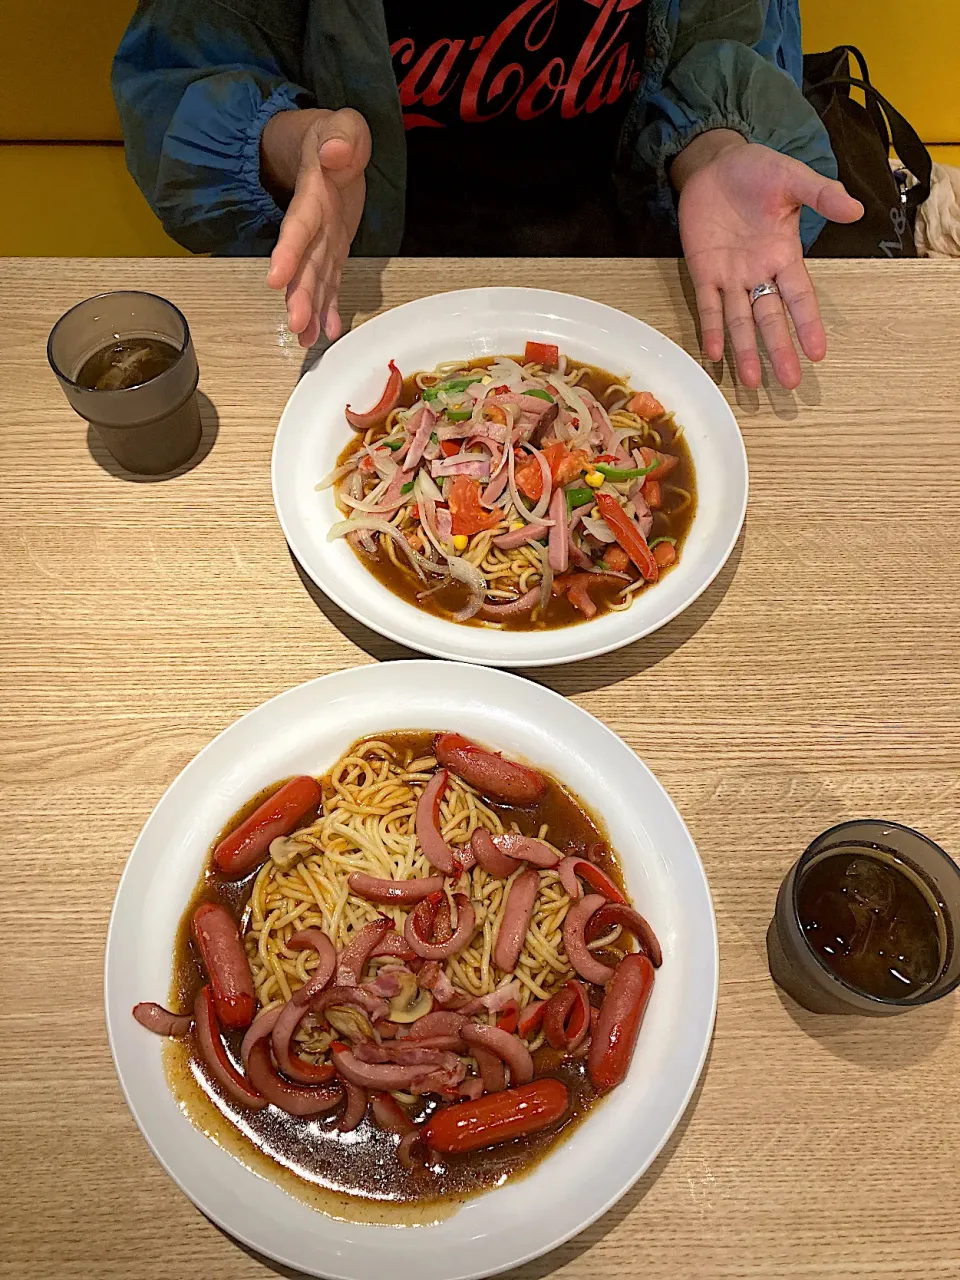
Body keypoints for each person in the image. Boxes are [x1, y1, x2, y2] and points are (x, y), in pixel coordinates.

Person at [113, 0, 863, 390]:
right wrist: (297, 144)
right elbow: (178, 85)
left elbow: (714, 48)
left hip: (629, 288)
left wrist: (716, 153)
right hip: (372, 291)